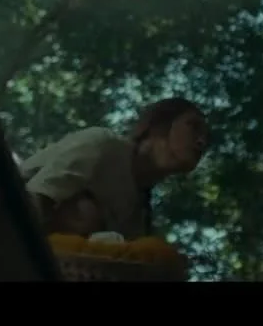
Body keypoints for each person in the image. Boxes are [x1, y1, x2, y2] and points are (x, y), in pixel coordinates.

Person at [18, 98, 210, 240]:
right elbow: (35, 199)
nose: (201, 142)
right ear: (157, 125)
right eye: (193, 126)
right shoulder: (102, 145)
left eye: (205, 137)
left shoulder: (139, 213)